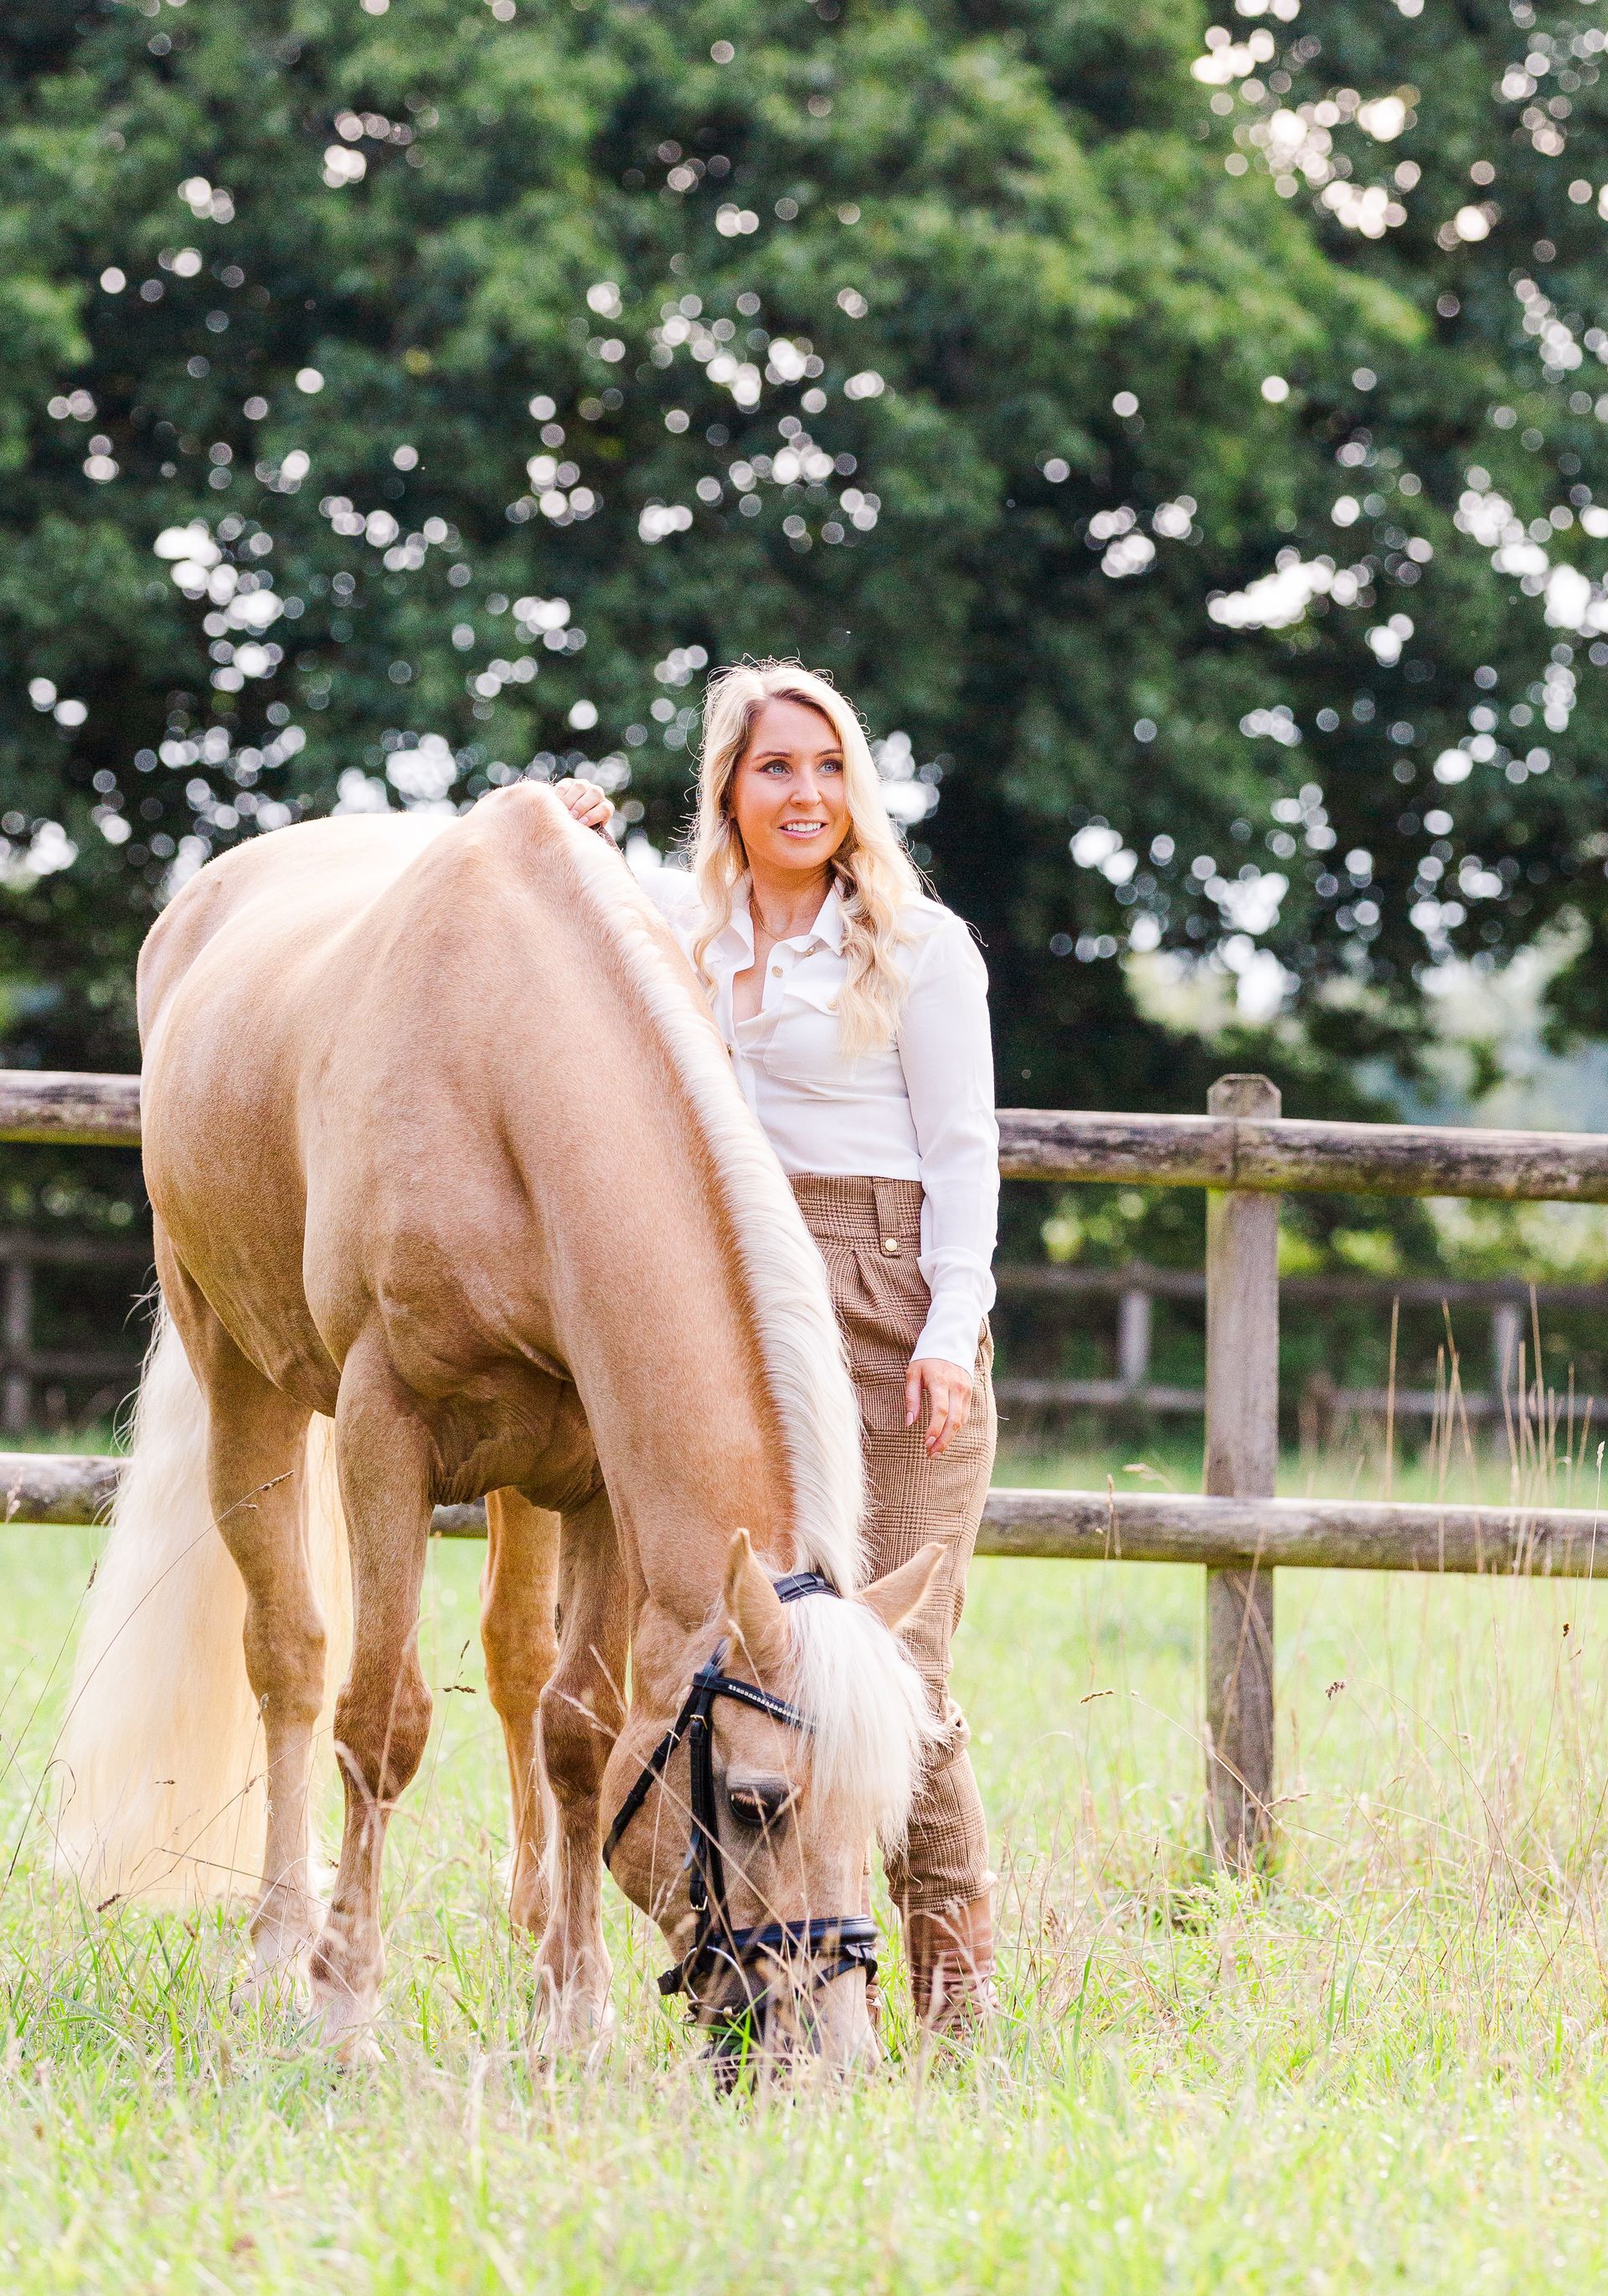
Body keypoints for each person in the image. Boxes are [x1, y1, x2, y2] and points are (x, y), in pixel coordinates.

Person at [556, 660, 998, 2031]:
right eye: (774, 769)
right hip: (724, 1311)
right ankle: (752, 1945)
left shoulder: (919, 944)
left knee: (892, 1669)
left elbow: (965, 1148)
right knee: (739, 1661)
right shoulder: (684, 937)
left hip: (882, 1298)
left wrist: (948, 1326)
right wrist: (576, 838)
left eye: (826, 766)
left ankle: (951, 1981)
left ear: (854, 786)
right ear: (729, 791)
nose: (804, 793)